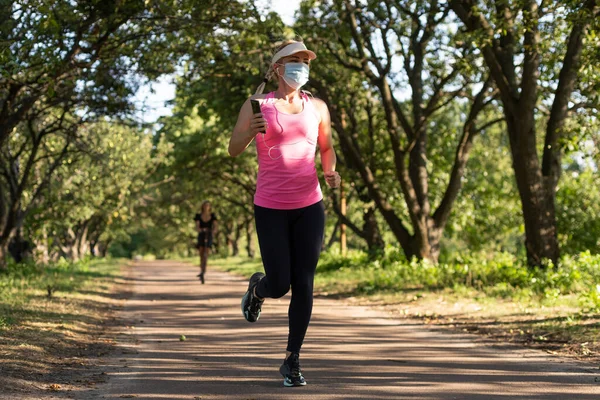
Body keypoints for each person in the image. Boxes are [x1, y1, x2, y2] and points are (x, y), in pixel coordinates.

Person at [228, 39, 341, 387]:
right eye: (294, 60)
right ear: (278, 67)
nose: (301, 67)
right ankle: (257, 291)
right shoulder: (257, 105)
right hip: (271, 207)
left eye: (305, 61)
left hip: (309, 205)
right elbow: (233, 150)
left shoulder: (318, 107)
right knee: (280, 284)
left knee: (304, 284)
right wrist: (250, 131)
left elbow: (327, 147)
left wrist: (330, 170)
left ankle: (292, 359)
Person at [194, 201, 218, 284]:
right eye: (205, 205)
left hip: (209, 234)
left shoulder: (213, 216)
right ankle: (201, 269)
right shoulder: (198, 216)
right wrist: (199, 230)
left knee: (206, 253)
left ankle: (204, 270)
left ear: (209, 207)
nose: (206, 207)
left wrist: (213, 231)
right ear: (203, 207)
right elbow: (197, 226)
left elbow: (215, 226)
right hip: (201, 235)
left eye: (208, 206)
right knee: (201, 253)